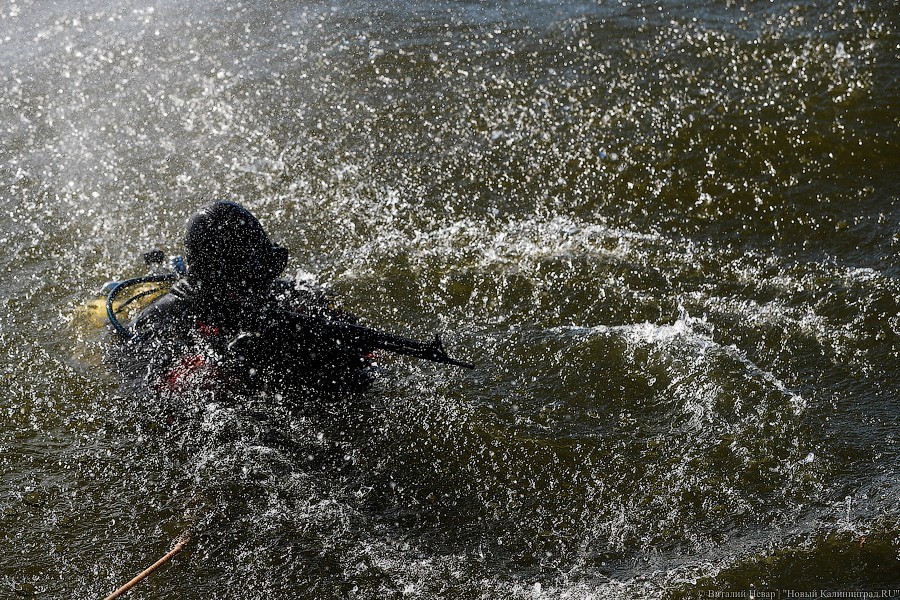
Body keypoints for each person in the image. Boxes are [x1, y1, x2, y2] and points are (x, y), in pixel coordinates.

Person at [122, 200, 374, 396]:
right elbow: (142, 387)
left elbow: (362, 339)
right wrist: (225, 367)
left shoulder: (282, 293)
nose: (263, 286)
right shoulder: (163, 321)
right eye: (249, 278)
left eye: (267, 269)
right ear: (214, 281)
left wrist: (326, 345)